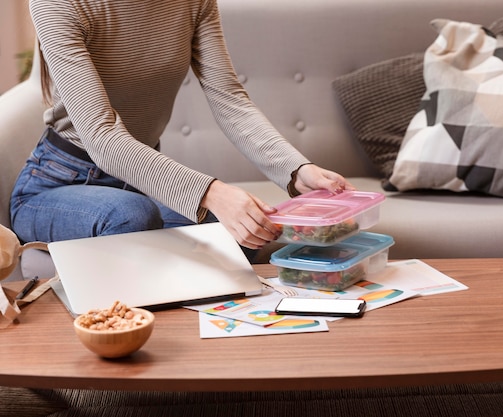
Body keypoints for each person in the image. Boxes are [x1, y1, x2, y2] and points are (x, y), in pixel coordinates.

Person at [10, 0, 354, 260]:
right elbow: (101, 136)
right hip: (59, 183)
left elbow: (229, 99)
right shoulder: (60, 4)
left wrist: (297, 171)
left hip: (138, 184)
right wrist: (213, 194)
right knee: (131, 216)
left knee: (241, 235)